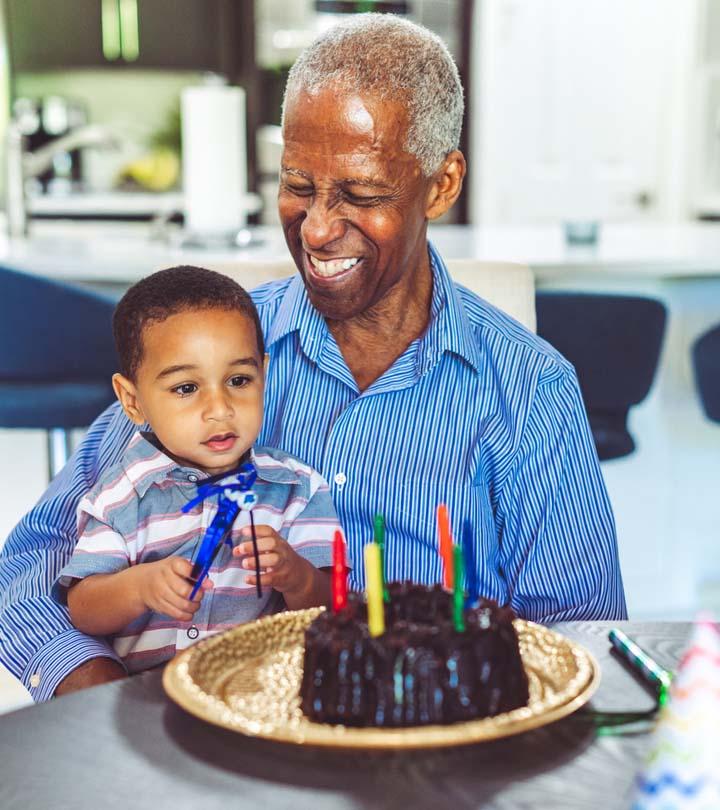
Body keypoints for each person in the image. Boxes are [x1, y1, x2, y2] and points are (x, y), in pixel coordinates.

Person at [0, 14, 626, 700]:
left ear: (441, 186)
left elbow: (580, 644)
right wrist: (100, 694)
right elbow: (32, 568)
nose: (319, 228)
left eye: (361, 193)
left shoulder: (530, 392)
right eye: (298, 184)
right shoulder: (209, 351)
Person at [54, 265, 339, 673]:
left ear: (265, 372)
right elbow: (83, 608)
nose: (220, 409)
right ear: (131, 401)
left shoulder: (298, 490)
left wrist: (297, 576)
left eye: (239, 380)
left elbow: (330, 608)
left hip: (256, 699)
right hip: (150, 710)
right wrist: (141, 587)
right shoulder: (121, 496)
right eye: (186, 388)